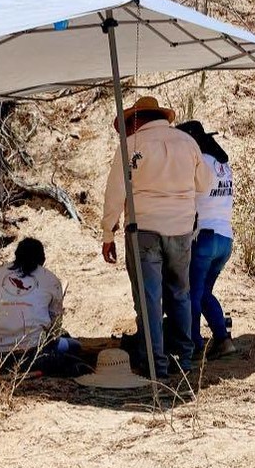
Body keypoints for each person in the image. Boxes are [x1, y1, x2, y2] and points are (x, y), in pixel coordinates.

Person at [100, 95, 211, 379]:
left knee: (150, 299)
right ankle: (183, 361)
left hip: (144, 228)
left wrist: (108, 232)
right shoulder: (188, 143)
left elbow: (115, 193)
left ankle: (155, 364)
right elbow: (205, 184)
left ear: (136, 119)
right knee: (180, 294)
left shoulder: (132, 145)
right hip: (182, 229)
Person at [177, 120, 238, 360]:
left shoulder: (197, 162)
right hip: (225, 237)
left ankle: (192, 346)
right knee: (204, 293)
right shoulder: (223, 164)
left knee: (192, 293)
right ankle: (223, 339)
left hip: (204, 236)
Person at [0, 238, 83, 375]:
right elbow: (55, 325)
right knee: (75, 346)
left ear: (16, 255)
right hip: (33, 353)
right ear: (42, 259)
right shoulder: (50, 279)